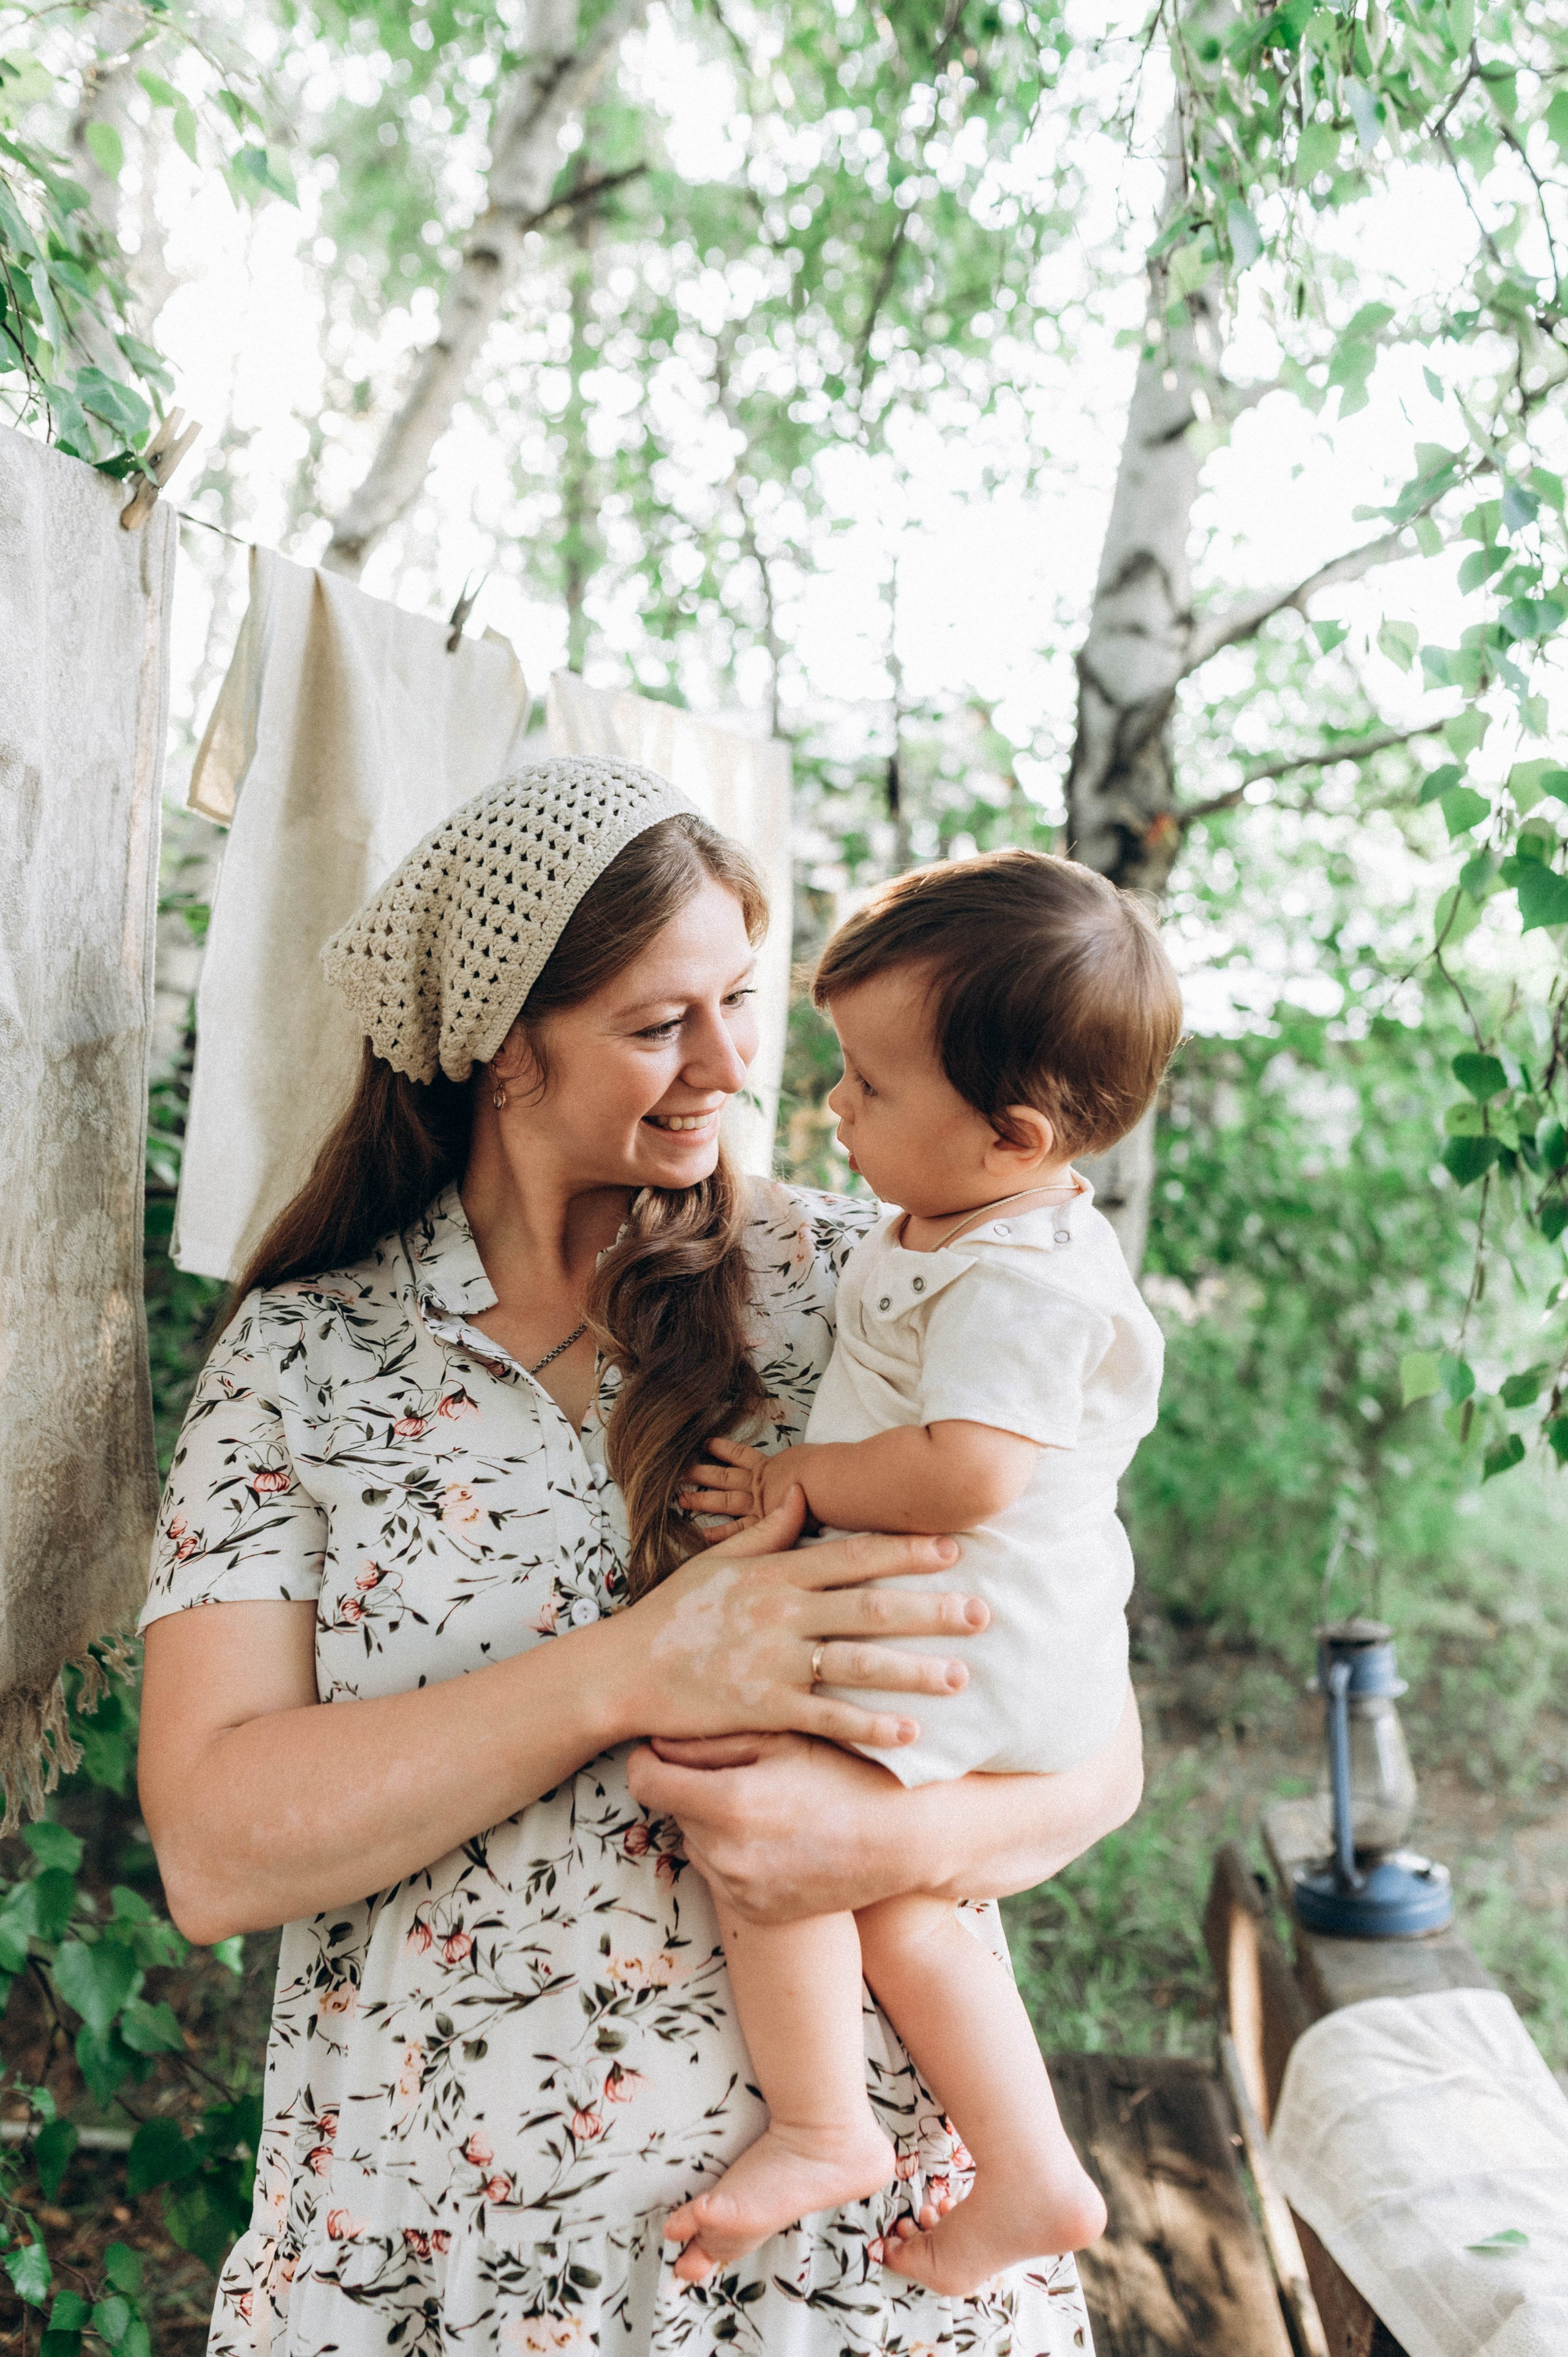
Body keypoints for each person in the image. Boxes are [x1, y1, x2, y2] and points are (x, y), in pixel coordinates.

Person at [137, 758, 1144, 2357]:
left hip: (861, 2278)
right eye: (660, 1021)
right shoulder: (310, 1358)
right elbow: (213, 1850)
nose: (736, 1065)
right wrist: (633, 1668)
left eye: (741, 1000)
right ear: (501, 1040)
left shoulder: (873, 1279)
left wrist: (868, 1845)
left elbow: (1094, 1750)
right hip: (444, 2255)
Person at [666, 854, 1183, 2295]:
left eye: (872, 1088)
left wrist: (798, 1480)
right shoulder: (956, 1221)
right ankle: (1025, 2168)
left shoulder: (1021, 1274)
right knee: (902, 1903)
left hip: (973, 1636)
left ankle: (826, 2124)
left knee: (759, 1794)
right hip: (992, 1639)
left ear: (1013, 1136)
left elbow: (969, 1471)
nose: (833, 1105)